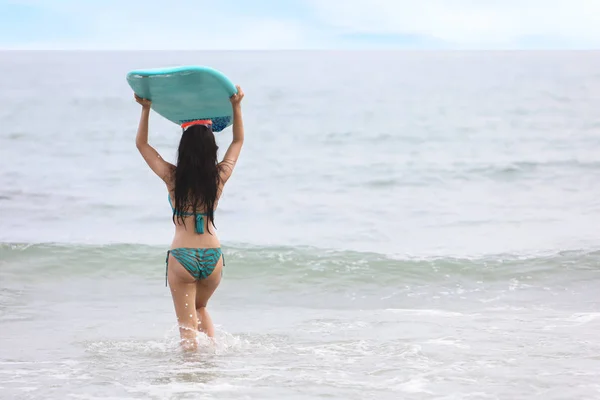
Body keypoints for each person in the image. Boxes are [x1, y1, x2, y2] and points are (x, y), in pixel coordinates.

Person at [134, 86, 245, 351]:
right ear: (212, 149)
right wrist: (236, 106)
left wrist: (146, 108)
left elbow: (142, 145)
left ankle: (189, 380)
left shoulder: (172, 177)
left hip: (183, 257)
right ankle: (210, 371)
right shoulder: (219, 177)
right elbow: (238, 142)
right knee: (201, 308)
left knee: (187, 335)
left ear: (183, 148)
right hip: (212, 258)